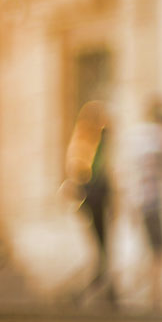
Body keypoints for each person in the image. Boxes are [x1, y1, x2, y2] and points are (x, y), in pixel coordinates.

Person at [65, 100, 116, 308]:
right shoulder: (84, 143)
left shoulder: (97, 143)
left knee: (103, 246)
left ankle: (106, 288)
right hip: (92, 198)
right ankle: (100, 287)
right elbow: (79, 171)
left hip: (99, 199)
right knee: (99, 246)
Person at [125, 97, 162, 308]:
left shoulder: (137, 138)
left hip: (138, 200)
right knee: (158, 251)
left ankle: (147, 293)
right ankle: (154, 296)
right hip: (153, 201)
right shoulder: (158, 138)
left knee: (147, 249)